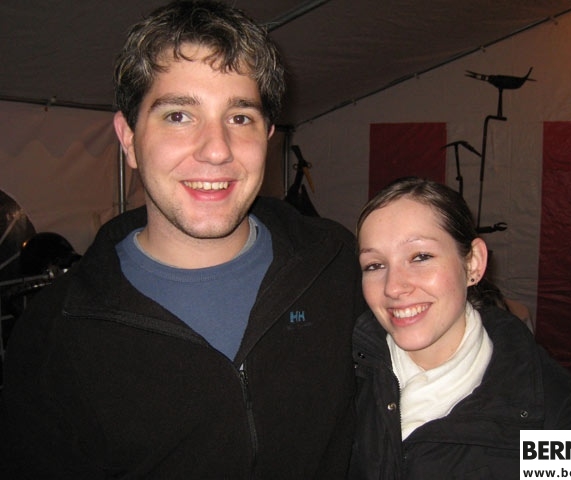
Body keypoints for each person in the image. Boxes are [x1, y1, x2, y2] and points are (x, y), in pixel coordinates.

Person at [0, 1, 365, 478]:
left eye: (240, 118)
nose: (216, 150)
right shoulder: (56, 333)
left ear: (269, 135)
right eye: (178, 116)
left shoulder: (337, 264)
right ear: (128, 138)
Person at [348, 176, 571, 479]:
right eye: (375, 265)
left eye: (420, 256)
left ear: (473, 263)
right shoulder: (339, 373)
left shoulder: (558, 408)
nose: (393, 287)